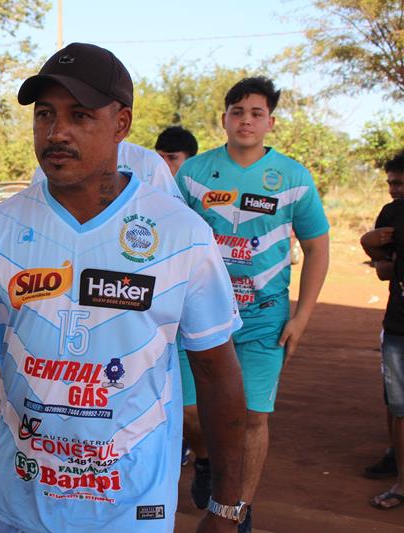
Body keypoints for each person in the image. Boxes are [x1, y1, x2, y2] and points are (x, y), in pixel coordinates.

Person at [0, 42, 248, 533]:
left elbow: (218, 375)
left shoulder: (181, 235)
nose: (56, 132)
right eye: (44, 114)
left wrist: (226, 506)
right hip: (23, 508)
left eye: (80, 115)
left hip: (135, 511)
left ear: (121, 125)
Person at [175, 77, 330, 532]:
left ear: (271, 122)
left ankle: (237, 510)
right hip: (197, 314)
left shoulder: (294, 178)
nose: (246, 120)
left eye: (256, 113)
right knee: (190, 412)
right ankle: (205, 459)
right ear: (223, 119)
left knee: (252, 418)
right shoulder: (193, 175)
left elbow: (317, 248)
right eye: (237, 112)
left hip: (265, 318)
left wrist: (301, 319)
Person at [153, 126, 206, 468]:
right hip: (156, 316)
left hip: (194, 315)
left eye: (172, 159)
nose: (165, 167)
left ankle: (205, 460)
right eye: (159, 159)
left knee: (191, 410)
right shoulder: (146, 200)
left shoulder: (201, 204)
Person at [360, 152, 404, 509]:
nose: (393, 190)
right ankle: (400, 476)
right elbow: (384, 273)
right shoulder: (391, 217)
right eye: (390, 182)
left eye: (399, 183)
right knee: (398, 403)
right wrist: (369, 244)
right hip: (399, 324)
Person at [30, 140, 183, 201]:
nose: (59, 131)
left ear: (122, 121)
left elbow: (175, 223)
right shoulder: (47, 169)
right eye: (45, 114)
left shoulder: (147, 162)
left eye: (80, 115)